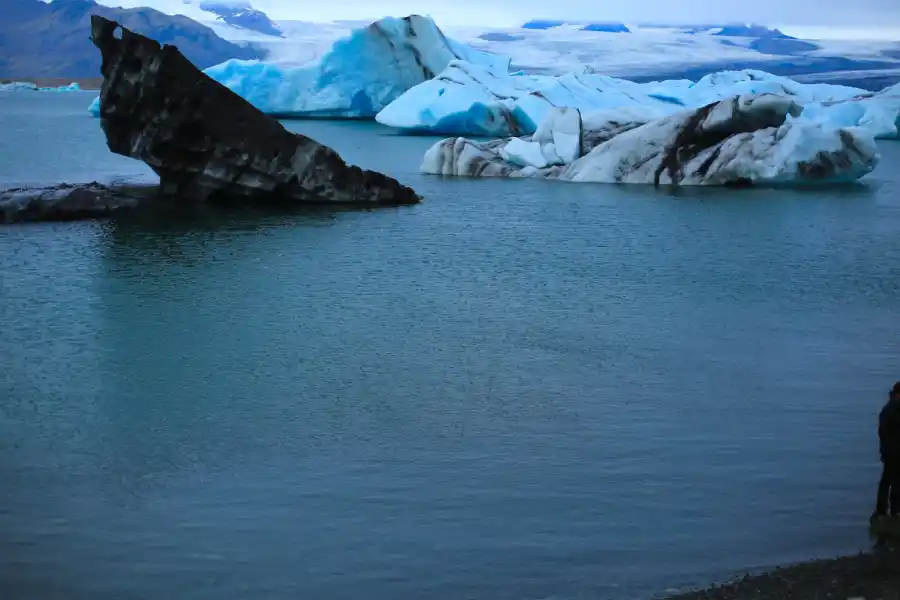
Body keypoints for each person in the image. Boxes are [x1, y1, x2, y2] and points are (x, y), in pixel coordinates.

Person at [873, 381, 900, 521]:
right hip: (891, 452)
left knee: (893, 480)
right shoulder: (889, 410)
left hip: (891, 451)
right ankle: (885, 510)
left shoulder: (890, 409)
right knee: (889, 480)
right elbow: (883, 432)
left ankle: (892, 510)